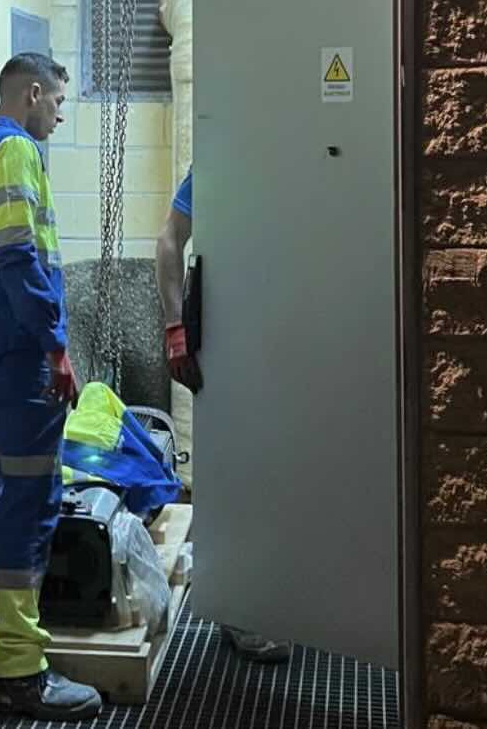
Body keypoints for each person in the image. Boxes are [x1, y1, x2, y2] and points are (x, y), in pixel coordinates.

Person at [0, 53, 102, 720]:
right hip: (17, 352)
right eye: (58, 102)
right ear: (32, 93)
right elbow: (18, 252)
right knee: (30, 499)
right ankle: (19, 667)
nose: (59, 115)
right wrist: (55, 344)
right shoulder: (16, 152)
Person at [154, 165, 293, 665]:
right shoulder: (220, 159)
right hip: (232, 335)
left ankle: (281, 599)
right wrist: (176, 328)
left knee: (283, 469)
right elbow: (170, 240)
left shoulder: (299, 159)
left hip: (288, 330)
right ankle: (241, 607)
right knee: (240, 469)